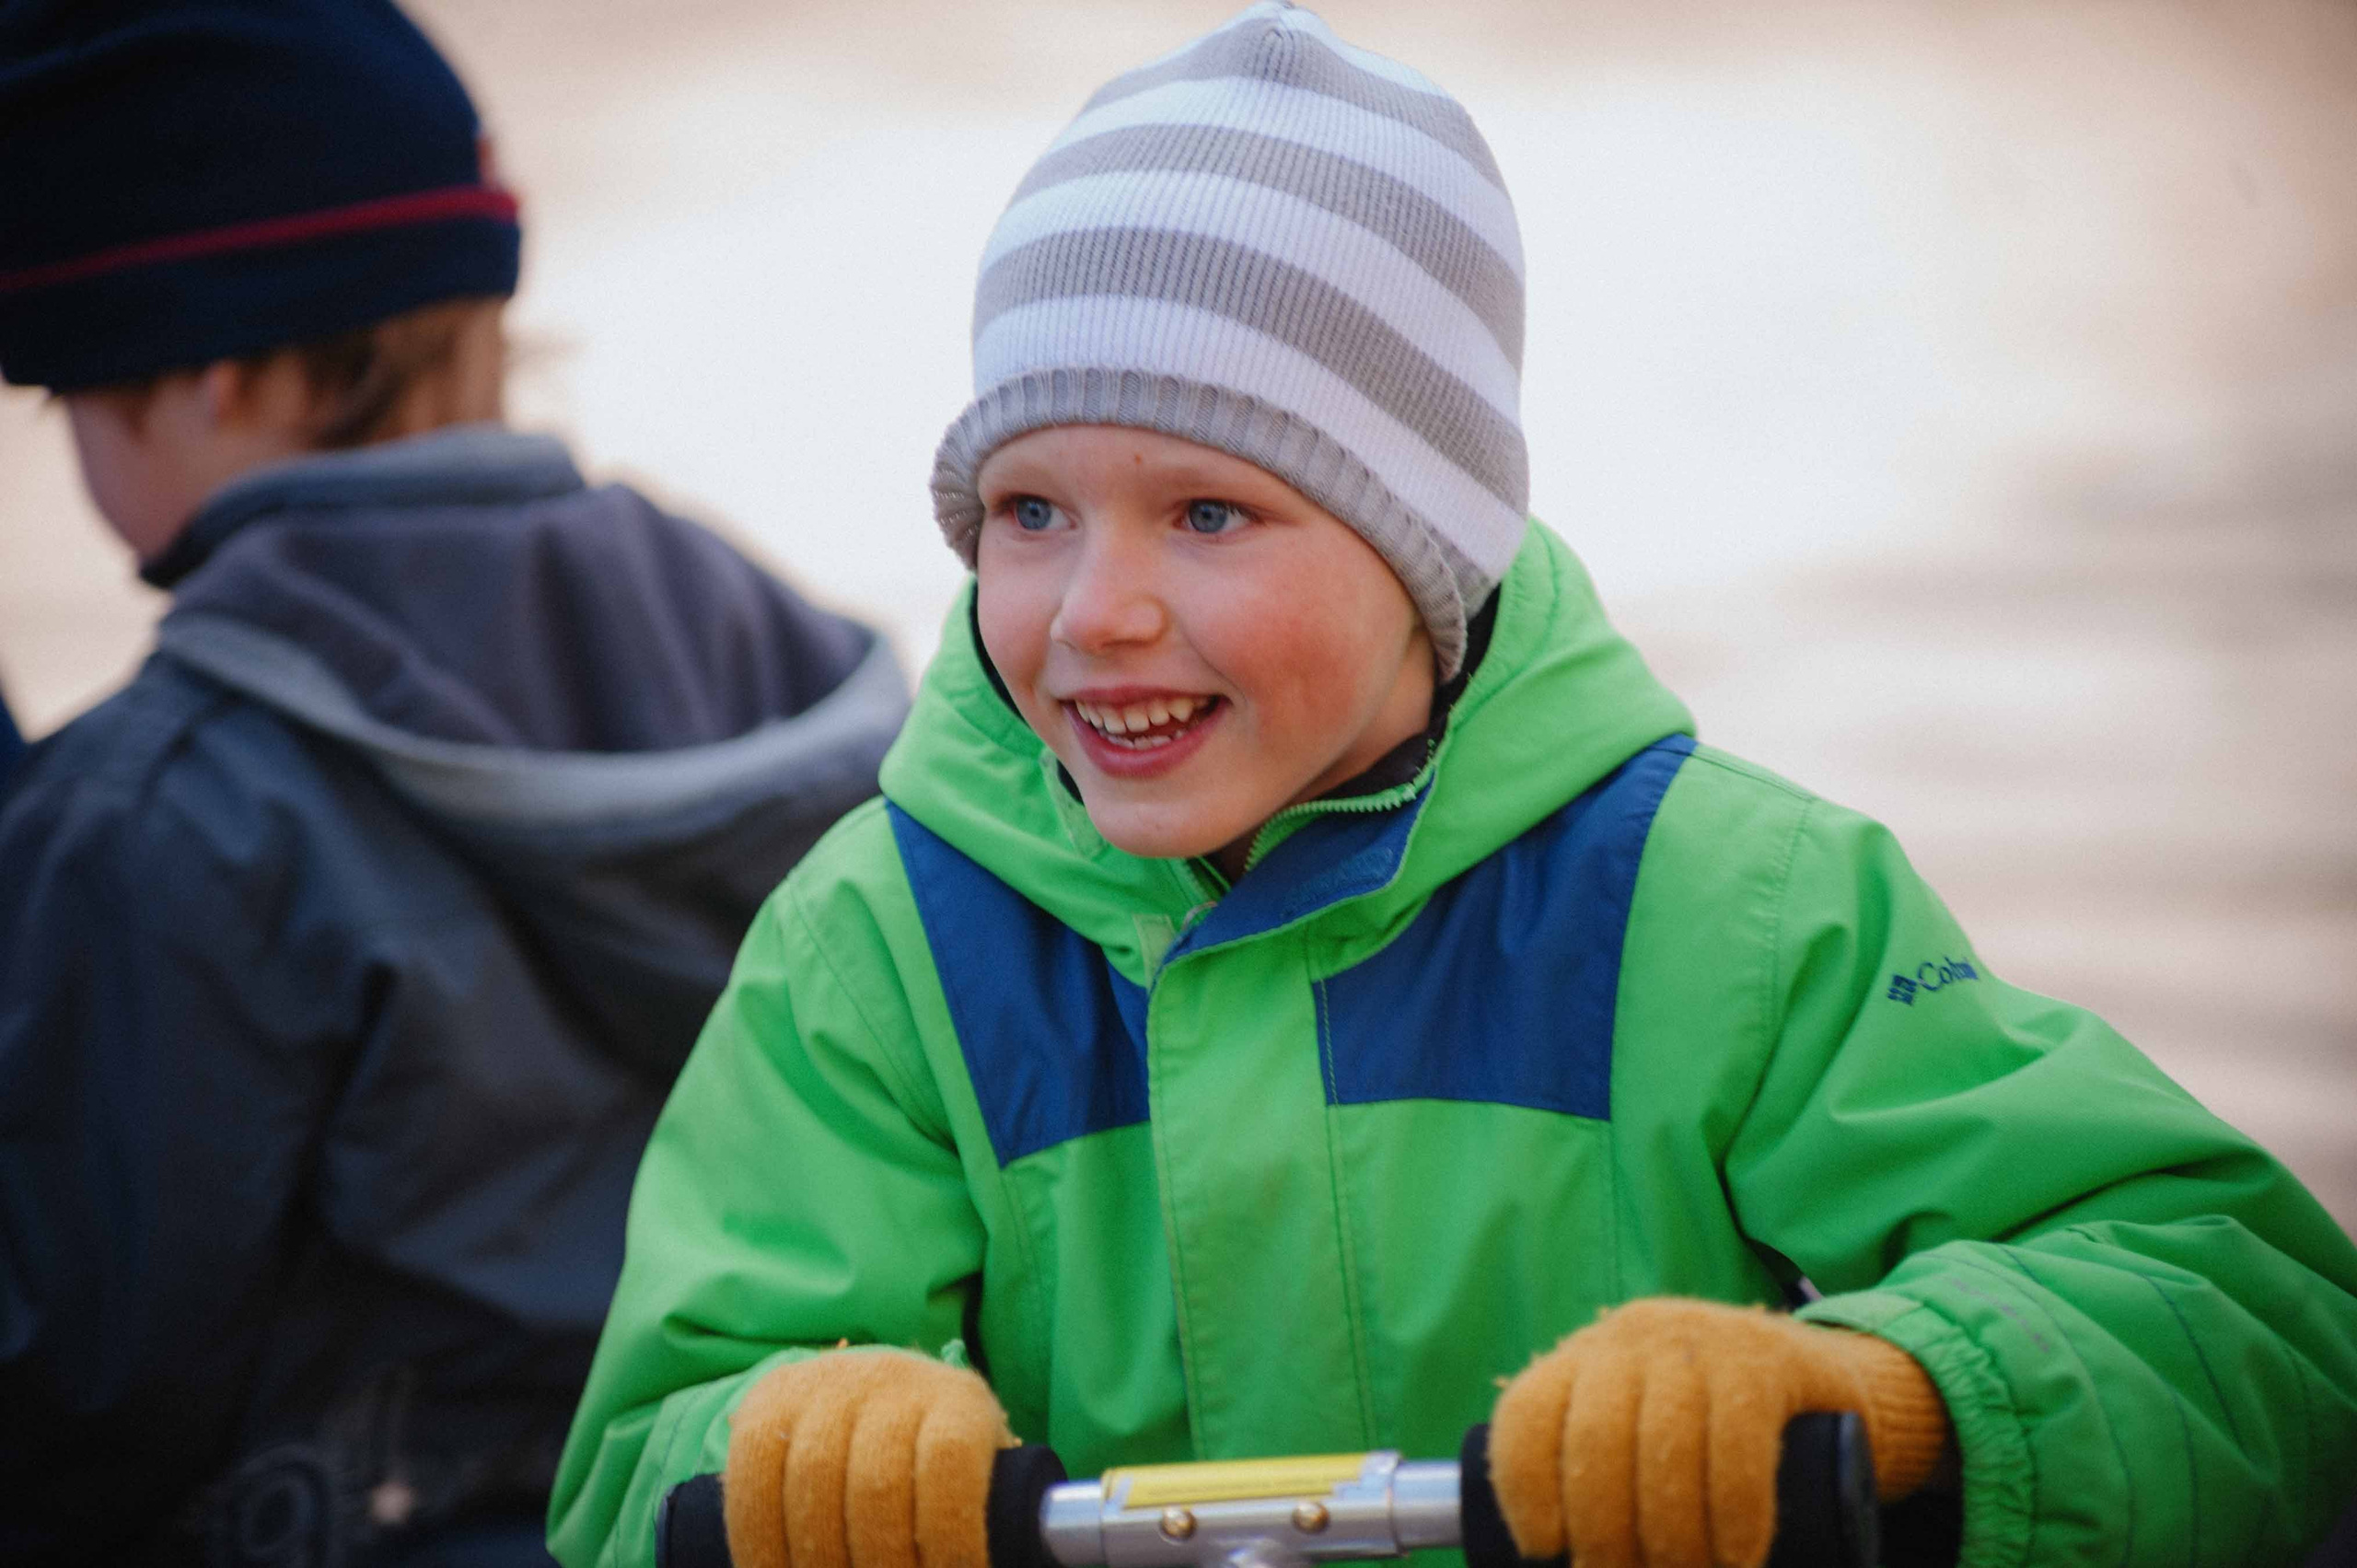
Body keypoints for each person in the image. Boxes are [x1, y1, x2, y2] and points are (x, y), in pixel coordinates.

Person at [548, 7, 2357, 1567]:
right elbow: (639, 1457)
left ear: (1426, 549)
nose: (1095, 608)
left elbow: (2244, 1317)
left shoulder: (1726, 904)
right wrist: (784, 1449)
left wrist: (1875, 1391)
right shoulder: (877, 943)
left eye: (1207, 510)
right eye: (1027, 512)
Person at [0, 2, 907, 1563]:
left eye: (64, 400)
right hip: (721, 1511)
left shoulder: (165, 812)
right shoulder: (788, 650)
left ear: (209, 375)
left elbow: (73, 1394)